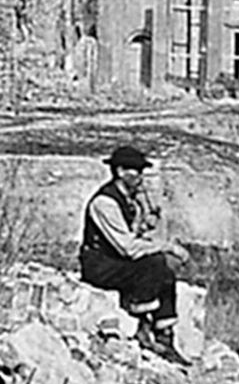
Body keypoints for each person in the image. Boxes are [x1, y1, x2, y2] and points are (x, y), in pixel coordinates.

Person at [79, 145, 192, 366]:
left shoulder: (128, 200)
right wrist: (167, 246)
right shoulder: (105, 202)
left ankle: (165, 335)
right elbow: (127, 248)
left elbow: (128, 236)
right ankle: (142, 324)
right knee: (156, 264)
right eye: (135, 171)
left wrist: (143, 226)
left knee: (163, 268)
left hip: (114, 261)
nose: (140, 176)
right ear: (120, 172)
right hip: (99, 266)